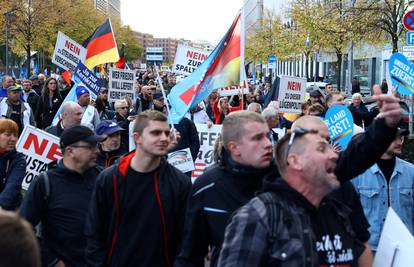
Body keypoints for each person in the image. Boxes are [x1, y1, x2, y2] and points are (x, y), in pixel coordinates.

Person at [177, 94, 402, 267]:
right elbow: (190, 255)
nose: (268, 143)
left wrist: (383, 127)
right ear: (234, 148)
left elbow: (349, 161)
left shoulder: (287, 172)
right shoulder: (208, 188)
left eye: (267, 135)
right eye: (257, 138)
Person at [85, 110, 191, 267]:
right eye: (155, 133)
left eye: (166, 133)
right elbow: (95, 235)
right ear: (137, 138)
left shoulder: (179, 183)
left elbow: (188, 239)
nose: (163, 138)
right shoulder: (109, 179)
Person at [20, 125, 103, 267]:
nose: (97, 151)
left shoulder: (102, 177)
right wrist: (51, 261)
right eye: (90, 146)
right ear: (70, 151)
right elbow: (23, 228)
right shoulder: (45, 182)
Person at [352, 127, 414, 252]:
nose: (399, 142)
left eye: (400, 138)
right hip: (370, 249)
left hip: (404, 248)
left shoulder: (411, 171)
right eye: (393, 138)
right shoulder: (358, 172)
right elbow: (350, 214)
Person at [0, 119, 26, 210]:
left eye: (15, 135)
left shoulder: (19, 159)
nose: (13, 139)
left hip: (9, 210)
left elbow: (13, 185)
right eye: (7, 135)